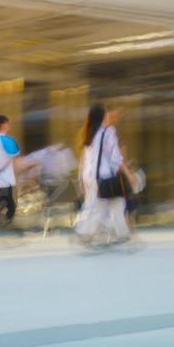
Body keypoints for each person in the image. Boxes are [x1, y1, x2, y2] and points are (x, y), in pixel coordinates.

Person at [73, 103, 132, 248]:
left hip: (90, 175)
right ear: (102, 116)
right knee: (111, 204)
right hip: (104, 176)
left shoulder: (89, 132)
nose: (109, 115)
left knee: (95, 205)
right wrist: (128, 173)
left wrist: (81, 178)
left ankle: (87, 232)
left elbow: (85, 158)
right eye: (107, 113)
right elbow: (115, 157)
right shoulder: (108, 131)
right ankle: (86, 232)